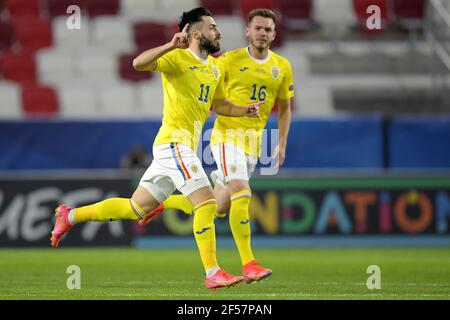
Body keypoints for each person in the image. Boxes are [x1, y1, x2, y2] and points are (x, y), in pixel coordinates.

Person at [50, 7, 262, 289]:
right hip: (175, 144)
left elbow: (219, 105)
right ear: (195, 33)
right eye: (212, 27)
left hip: (174, 150)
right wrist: (169, 45)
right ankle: (212, 272)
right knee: (208, 203)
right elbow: (138, 63)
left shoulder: (214, 68)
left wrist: (242, 110)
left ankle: (70, 215)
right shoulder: (176, 57)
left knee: (136, 208)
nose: (219, 31)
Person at [140, 8, 294, 284]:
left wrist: (281, 141)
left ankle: (163, 203)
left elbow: (285, 108)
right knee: (242, 193)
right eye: (258, 28)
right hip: (225, 139)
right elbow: (206, 88)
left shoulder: (282, 66)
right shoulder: (227, 60)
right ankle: (248, 263)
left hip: (252, 144)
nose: (262, 33)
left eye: (268, 29)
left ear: (274, 34)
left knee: (220, 206)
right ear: (247, 31)